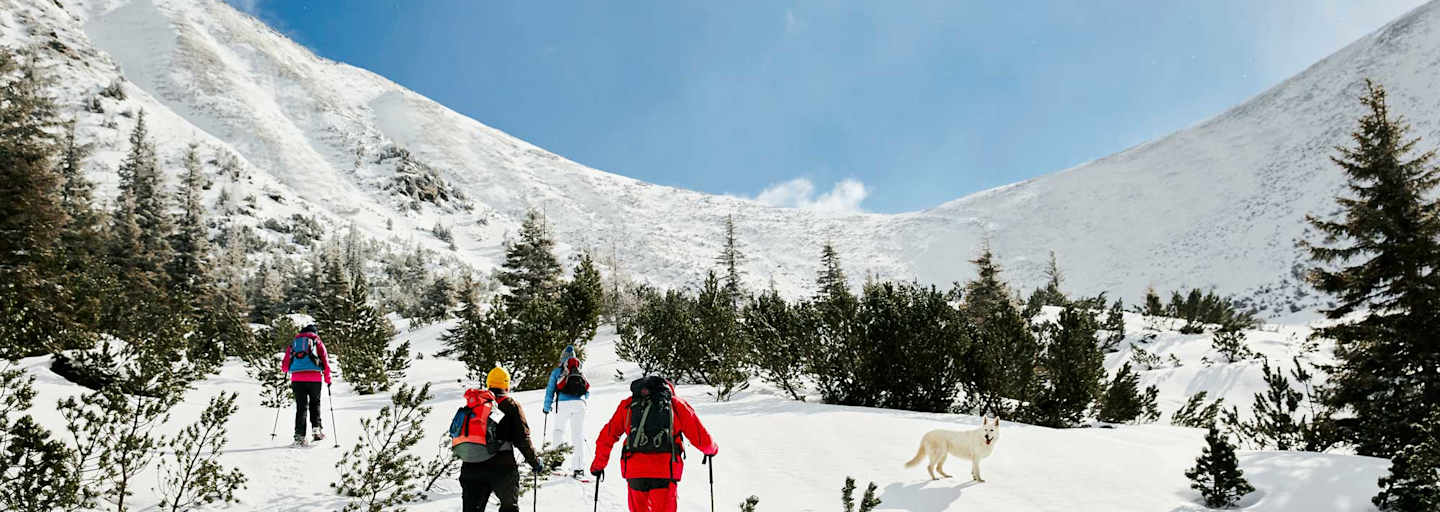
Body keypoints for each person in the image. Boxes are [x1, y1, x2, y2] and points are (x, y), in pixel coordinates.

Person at [591, 375, 718, 512]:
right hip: (665, 471)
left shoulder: (628, 404)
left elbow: (607, 436)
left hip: (635, 471)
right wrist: (712, 450)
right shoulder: (676, 404)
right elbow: (699, 436)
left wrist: (598, 465)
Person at [457, 366, 543, 512]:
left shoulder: (474, 405)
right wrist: (534, 462)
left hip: (472, 466)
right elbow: (522, 439)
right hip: (502, 467)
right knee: (509, 508)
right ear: (506, 385)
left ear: (488, 384)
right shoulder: (511, 405)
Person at [542, 345, 590, 479]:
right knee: (578, 435)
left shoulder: (558, 371)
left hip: (562, 405)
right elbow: (587, 392)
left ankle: (557, 463)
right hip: (580, 405)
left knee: (559, 431)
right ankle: (578, 468)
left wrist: (546, 407)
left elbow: (550, 390)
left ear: (562, 357)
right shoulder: (580, 371)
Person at [281, 323, 331, 446]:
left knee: (301, 407)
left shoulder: (294, 343)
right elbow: (325, 360)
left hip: (297, 379)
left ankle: (299, 436)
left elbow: (285, 365)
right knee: (315, 403)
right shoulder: (317, 341)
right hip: (315, 378)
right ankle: (316, 430)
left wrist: (289, 369)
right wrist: (327, 378)